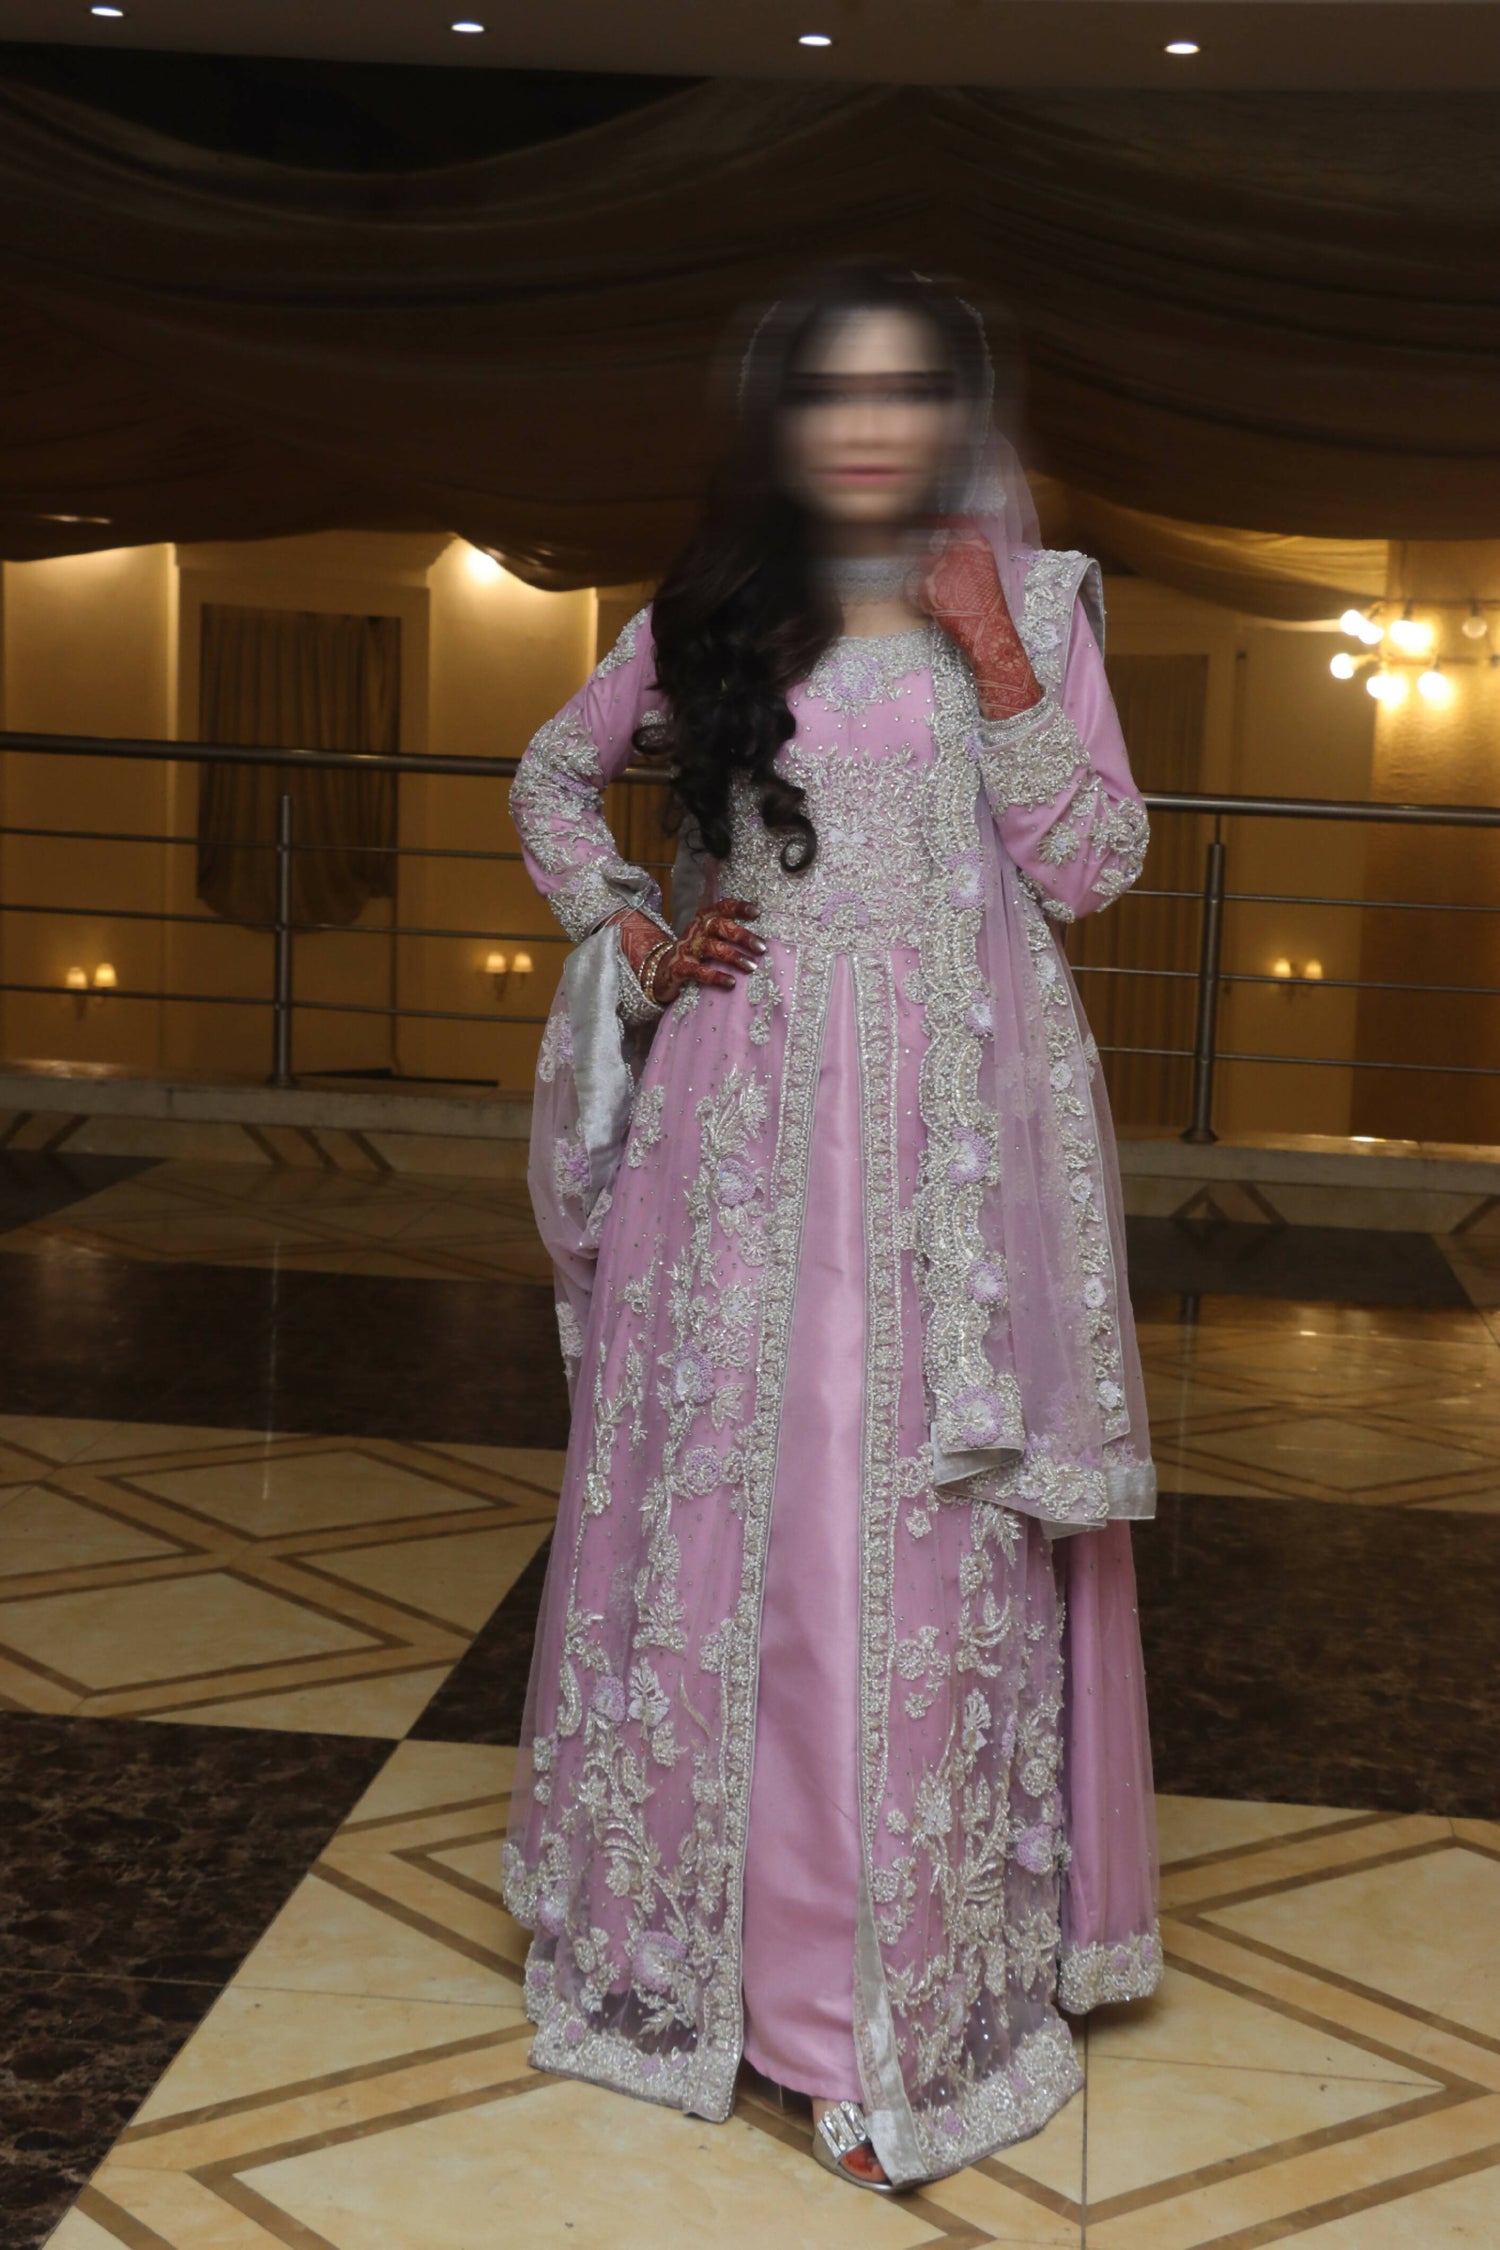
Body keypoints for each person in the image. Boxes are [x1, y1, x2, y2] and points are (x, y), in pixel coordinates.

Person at [504, 259, 1161, 2195]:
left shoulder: (1037, 601)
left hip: (948, 1164)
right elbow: (551, 777)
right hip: (737, 1138)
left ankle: (873, 2016)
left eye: (908, 392)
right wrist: (634, 930)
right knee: (740, 1537)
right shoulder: (717, 608)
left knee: (913, 1552)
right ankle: (715, 1972)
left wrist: (997, 649)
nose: (870, 426)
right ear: (784, 422)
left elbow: (1095, 863)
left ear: (960, 420)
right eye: (832, 392)